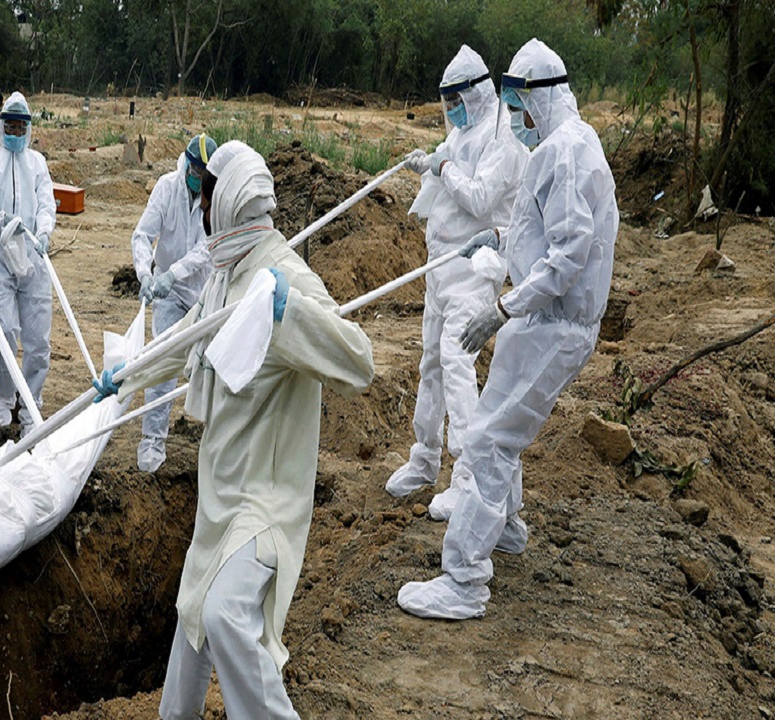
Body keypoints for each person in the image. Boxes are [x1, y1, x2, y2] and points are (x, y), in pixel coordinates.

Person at [93, 141, 375, 719]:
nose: (198, 209)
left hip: (264, 496)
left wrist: (289, 311)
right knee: (193, 611)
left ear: (229, 204)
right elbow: (186, 338)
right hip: (221, 484)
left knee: (223, 613)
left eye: (206, 200)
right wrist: (127, 375)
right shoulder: (226, 271)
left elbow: (359, 361)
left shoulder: (282, 275)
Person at [397, 38, 618, 620]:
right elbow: (547, 237)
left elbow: (568, 257)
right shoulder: (564, 144)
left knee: (491, 438)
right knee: (501, 420)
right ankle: (509, 526)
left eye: (518, 102)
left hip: (553, 324)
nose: (512, 114)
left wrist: (504, 307)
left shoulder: (564, 152)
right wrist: (497, 242)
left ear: (540, 97)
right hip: (540, 318)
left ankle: (464, 578)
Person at [386, 45, 528, 518]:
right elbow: (449, 162)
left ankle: (467, 474)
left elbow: (480, 196)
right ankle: (424, 458)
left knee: (457, 362)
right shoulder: (462, 130)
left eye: (455, 101)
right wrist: (431, 160)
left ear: (476, 93)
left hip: (474, 269)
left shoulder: (503, 138)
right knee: (431, 362)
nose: (450, 110)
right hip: (439, 267)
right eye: (446, 103)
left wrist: (442, 168)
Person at [0, 91, 56, 437]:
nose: (17, 132)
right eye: (12, 126)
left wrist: (45, 231)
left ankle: (31, 401)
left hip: (33, 257)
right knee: (4, 332)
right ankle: (4, 398)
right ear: (2, 126)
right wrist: (1, 220)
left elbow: (47, 204)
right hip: (1, 258)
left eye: (22, 126)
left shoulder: (38, 163)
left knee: (38, 339)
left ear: (29, 129)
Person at [128, 133, 217, 473]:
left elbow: (205, 249)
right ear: (186, 164)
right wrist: (145, 273)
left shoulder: (216, 196)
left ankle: (215, 438)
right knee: (163, 362)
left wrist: (173, 273)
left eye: (203, 173)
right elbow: (143, 234)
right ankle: (152, 440)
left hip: (204, 293)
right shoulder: (167, 188)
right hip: (168, 295)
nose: (197, 177)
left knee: (212, 366)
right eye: (194, 169)